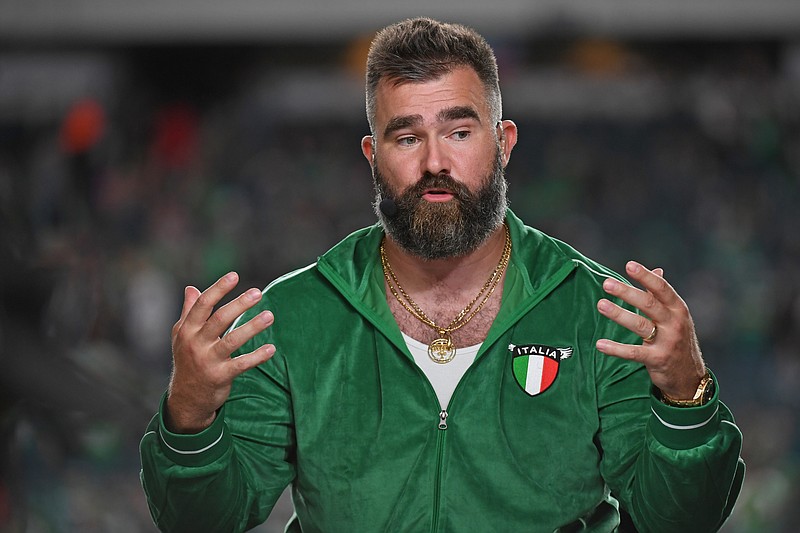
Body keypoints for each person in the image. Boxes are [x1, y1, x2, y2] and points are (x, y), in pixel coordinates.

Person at [139, 17, 744, 532]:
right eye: (407, 137)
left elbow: (682, 520)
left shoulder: (599, 310)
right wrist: (189, 419)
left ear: (503, 143)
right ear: (373, 157)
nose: (434, 163)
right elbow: (205, 522)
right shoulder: (294, 316)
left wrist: (687, 397)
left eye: (459, 132)